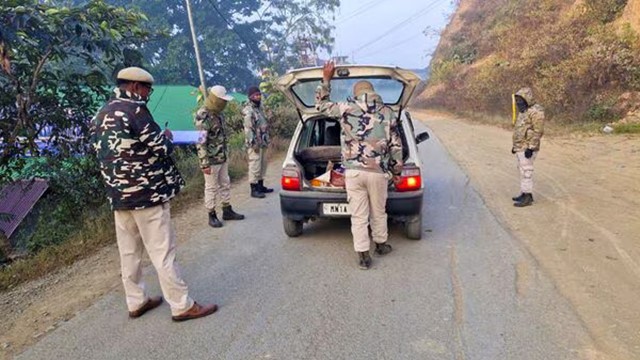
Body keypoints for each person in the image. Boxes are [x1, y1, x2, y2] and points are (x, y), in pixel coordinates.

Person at [91, 67, 217, 321]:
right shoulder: (135, 111)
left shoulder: (101, 113)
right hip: (146, 195)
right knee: (162, 252)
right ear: (136, 87)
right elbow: (161, 148)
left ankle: (136, 301)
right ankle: (182, 305)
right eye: (148, 88)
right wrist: (168, 137)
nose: (149, 93)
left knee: (129, 253)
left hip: (118, 196)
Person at [315, 61, 403, 270]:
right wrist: (395, 170)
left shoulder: (345, 108)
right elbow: (396, 146)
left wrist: (326, 79)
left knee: (358, 215)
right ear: (373, 92)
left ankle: (363, 256)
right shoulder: (387, 112)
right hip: (377, 172)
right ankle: (380, 245)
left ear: (356, 93)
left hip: (353, 172)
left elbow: (320, 106)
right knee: (378, 212)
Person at [194, 85, 245, 227]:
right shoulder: (203, 116)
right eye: (222, 100)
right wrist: (204, 163)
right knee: (211, 187)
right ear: (215, 100)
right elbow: (200, 142)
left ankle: (227, 210)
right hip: (210, 160)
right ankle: (211, 215)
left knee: (225, 183)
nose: (224, 103)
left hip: (221, 156)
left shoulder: (218, 114)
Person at [511, 87, 545, 207]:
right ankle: (524, 193)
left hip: (528, 147)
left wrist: (531, 147)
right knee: (522, 170)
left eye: (520, 101)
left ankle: (528, 197)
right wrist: (515, 146)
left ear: (527, 99)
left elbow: (538, 131)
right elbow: (520, 129)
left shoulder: (536, 111)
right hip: (521, 146)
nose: (518, 103)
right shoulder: (523, 111)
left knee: (527, 171)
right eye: (517, 101)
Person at [243, 85, 273, 198]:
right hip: (254, 143)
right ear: (250, 97)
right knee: (254, 165)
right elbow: (249, 129)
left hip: (263, 141)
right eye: (256, 95)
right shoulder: (248, 110)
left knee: (263, 164)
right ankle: (254, 188)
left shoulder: (259, 109)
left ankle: (261, 186)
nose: (258, 97)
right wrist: (253, 143)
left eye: (259, 94)